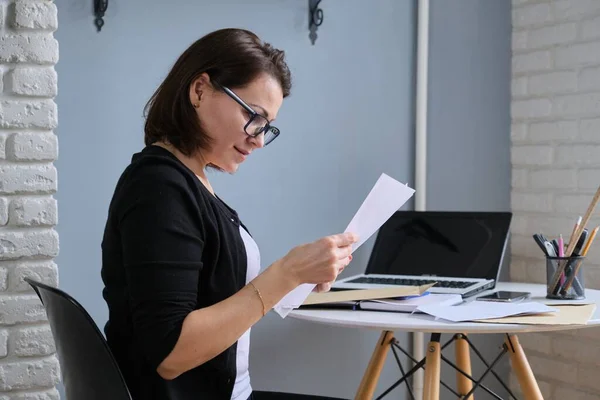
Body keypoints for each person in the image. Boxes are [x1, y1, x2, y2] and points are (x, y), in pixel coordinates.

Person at [100, 28, 358, 400]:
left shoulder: (187, 181)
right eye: (253, 115)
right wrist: (285, 275)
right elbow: (170, 353)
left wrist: (299, 277)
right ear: (200, 90)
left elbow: (214, 297)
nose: (258, 138)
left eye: (267, 126)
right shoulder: (158, 189)